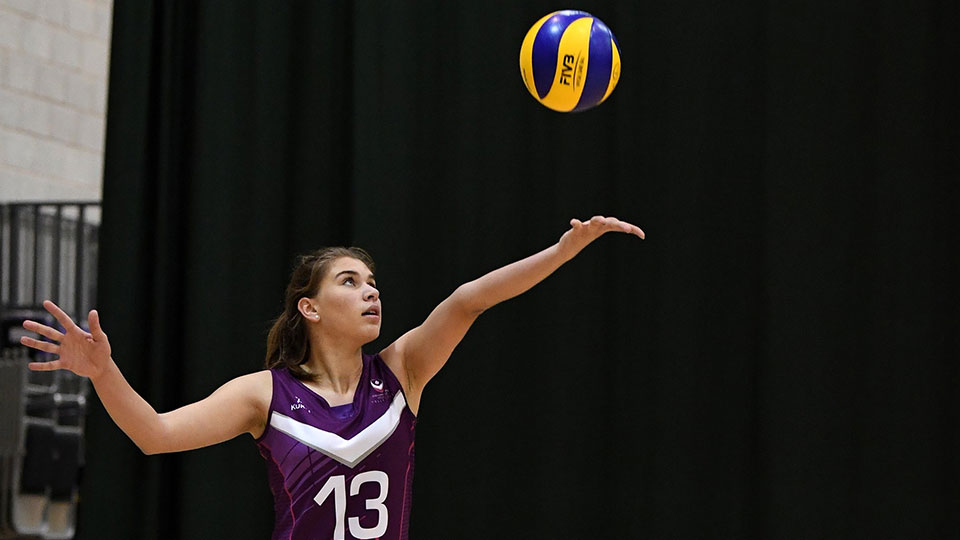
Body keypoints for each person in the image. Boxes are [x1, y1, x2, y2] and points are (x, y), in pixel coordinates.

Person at [20, 216, 644, 540]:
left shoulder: (403, 372)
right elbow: (154, 434)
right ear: (309, 308)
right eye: (350, 281)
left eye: (373, 283)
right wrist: (102, 371)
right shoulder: (264, 393)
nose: (370, 291)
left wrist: (562, 252)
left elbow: (468, 300)